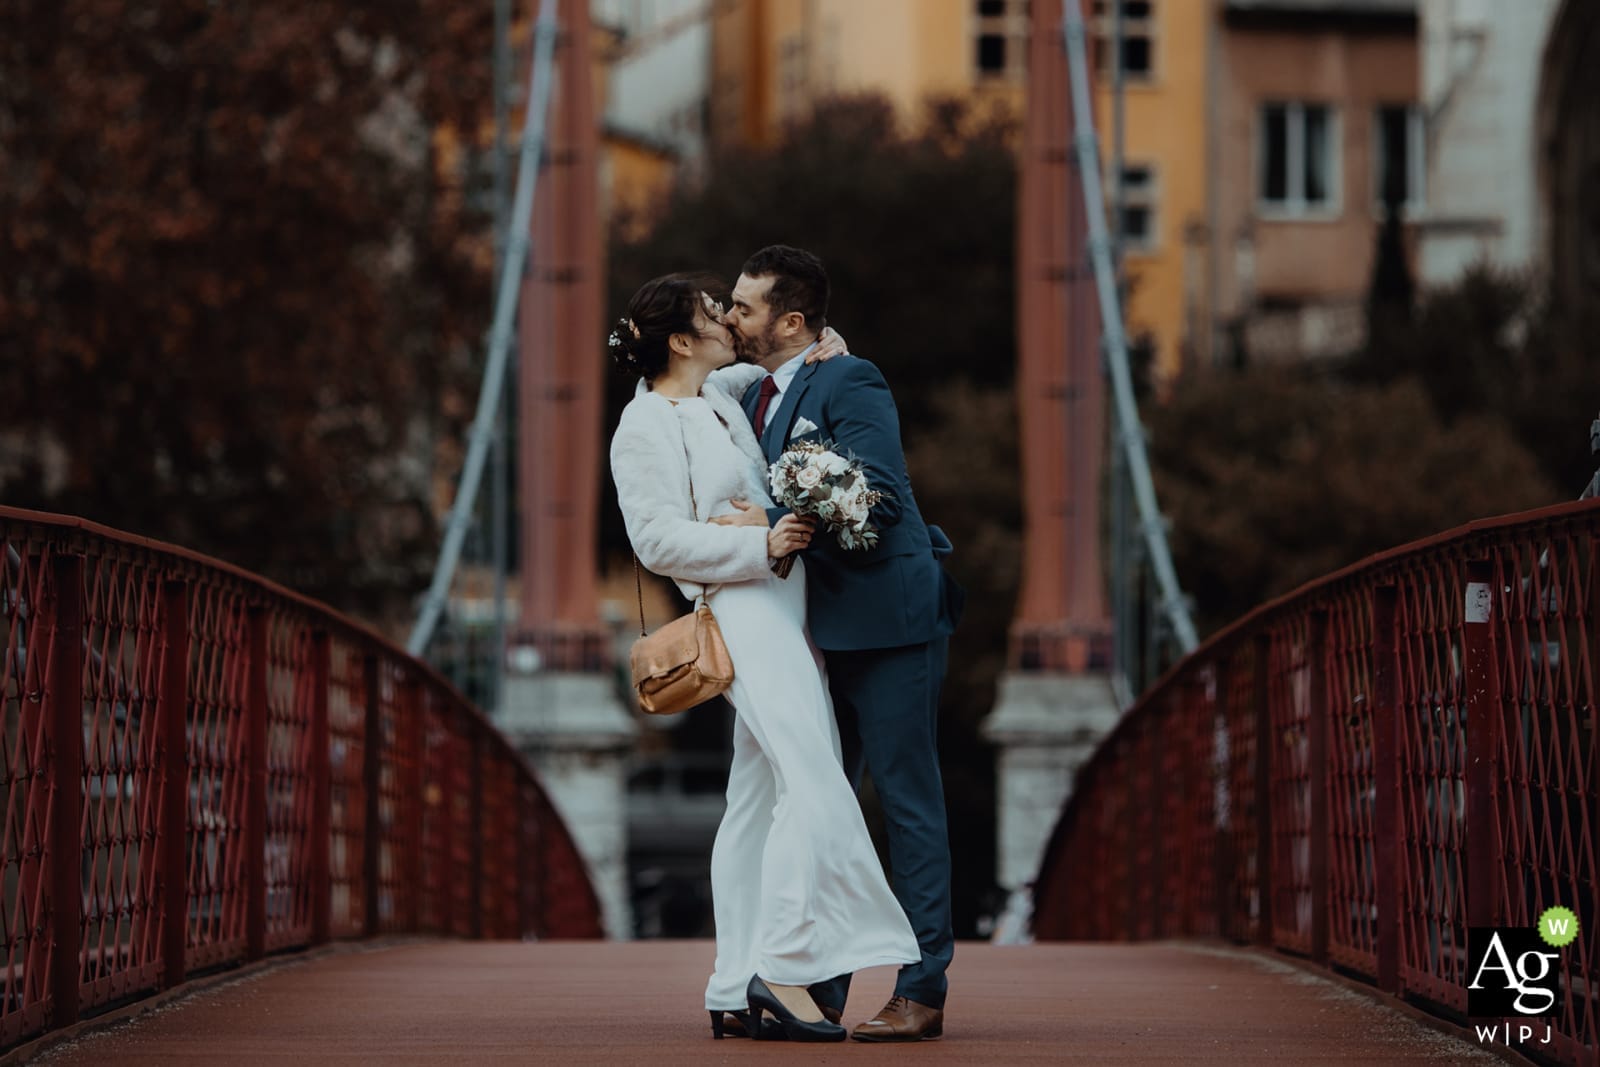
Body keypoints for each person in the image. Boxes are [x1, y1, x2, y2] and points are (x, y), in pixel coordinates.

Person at [607, 272, 920, 1044]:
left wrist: (824, 343)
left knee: (753, 798)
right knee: (812, 779)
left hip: (784, 605)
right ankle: (782, 965)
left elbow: (780, 365)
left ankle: (729, 982)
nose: (730, 322)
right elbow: (656, 541)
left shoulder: (719, 393)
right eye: (715, 314)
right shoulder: (643, 425)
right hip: (743, 608)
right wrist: (762, 542)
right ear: (683, 340)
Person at [717, 244, 963, 1042]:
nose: (730, 315)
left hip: (889, 621)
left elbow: (881, 500)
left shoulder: (850, 379)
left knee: (905, 800)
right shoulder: (752, 392)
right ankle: (816, 989)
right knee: (822, 805)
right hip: (813, 632)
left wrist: (781, 518)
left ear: (791, 321)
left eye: (745, 306)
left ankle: (921, 987)